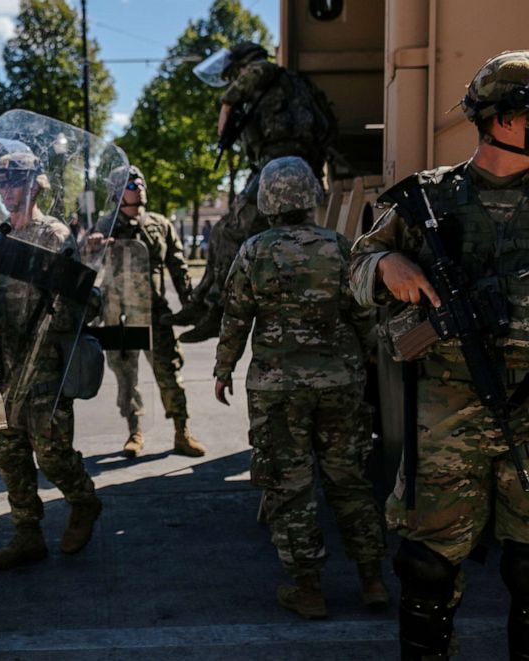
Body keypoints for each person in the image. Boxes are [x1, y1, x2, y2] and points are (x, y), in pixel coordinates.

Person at [350, 51, 529, 660]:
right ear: (504, 120)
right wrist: (385, 264)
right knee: (427, 569)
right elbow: (354, 265)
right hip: (447, 414)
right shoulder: (427, 198)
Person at [215, 156, 388, 620]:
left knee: (290, 487)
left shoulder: (253, 250)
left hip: (277, 388)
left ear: (268, 199)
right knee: (349, 480)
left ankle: (309, 589)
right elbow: (363, 314)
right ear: (312, 196)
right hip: (340, 382)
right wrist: (368, 355)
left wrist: (223, 368)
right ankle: (372, 579)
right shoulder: (340, 246)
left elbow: (235, 317)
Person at [0, 149, 102, 570]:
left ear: (35, 184)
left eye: (13, 180)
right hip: (5, 360)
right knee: (10, 449)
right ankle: (27, 533)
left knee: (51, 451)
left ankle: (84, 501)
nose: (5, 189)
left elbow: (79, 299)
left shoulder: (53, 235)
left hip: (45, 361)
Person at [172, 41, 336, 342]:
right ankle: (201, 304)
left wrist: (227, 103)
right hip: (278, 169)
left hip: (284, 169)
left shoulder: (269, 73)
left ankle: (215, 311)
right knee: (223, 231)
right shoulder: (275, 88)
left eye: (235, 74)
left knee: (232, 231)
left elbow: (260, 71)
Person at [90, 164, 206, 458]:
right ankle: (135, 431)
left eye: (140, 183)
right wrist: (92, 247)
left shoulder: (160, 223)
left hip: (156, 315)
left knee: (170, 373)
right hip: (119, 317)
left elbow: (178, 268)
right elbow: (86, 261)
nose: (138, 188)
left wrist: (190, 305)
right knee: (126, 378)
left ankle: (182, 432)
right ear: (118, 193)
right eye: (130, 185)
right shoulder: (104, 226)